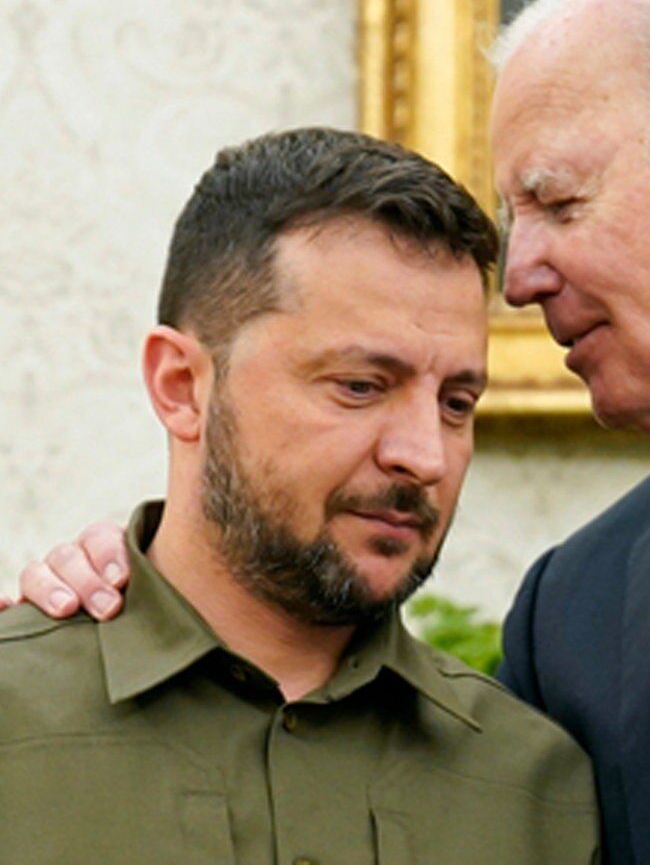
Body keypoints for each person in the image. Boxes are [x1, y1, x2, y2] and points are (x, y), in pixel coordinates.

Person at [9, 0, 650, 861]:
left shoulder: (530, 709)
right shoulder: (577, 611)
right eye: (360, 384)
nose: (518, 279)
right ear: (180, 385)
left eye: (557, 201)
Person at [0, 126, 599, 863]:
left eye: (455, 403)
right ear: (181, 386)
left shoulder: (537, 788)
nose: (424, 457)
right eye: (360, 386)